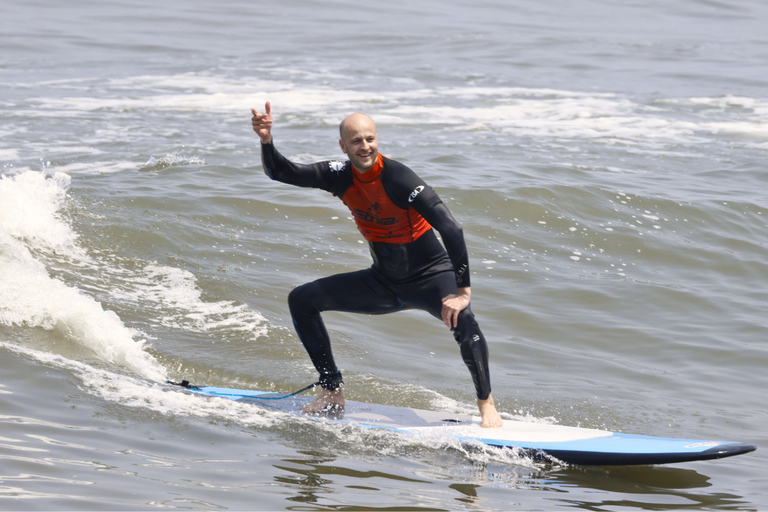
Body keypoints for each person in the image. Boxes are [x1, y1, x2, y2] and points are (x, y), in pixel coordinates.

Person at [251, 102, 503, 428]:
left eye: (370, 138)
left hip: (431, 278)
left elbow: (451, 228)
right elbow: (281, 173)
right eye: (356, 141)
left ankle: (486, 403)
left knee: (464, 320)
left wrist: (462, 290)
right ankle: (331, 389)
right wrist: (266, 140)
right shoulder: (339, 177)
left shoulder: (398, 177)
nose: (365, 146)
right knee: (301, 300)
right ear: (344, 146)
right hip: (384, 282)